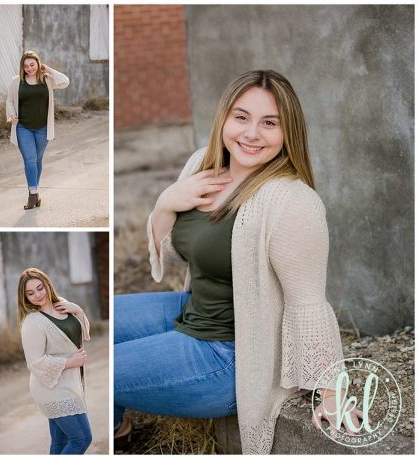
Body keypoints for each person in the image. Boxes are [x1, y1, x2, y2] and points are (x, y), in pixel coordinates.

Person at [113, 70, 362, 454]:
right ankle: (117, 427)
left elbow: (308, 302)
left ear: (287, 132)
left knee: (100, 368)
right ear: (224, 119)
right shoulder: (201, 165)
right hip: (193, 312)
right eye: (241, 117)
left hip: (233, 355)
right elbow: (177, 253)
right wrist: (168, 201)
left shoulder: (292, 202)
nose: (251, 134)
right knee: (89, 331)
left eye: (269, 123)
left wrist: (331, 390)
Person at [18, 268, 92, 454]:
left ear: (47, 285)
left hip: (70, 383)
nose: (37, 295)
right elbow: (34, 362)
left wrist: (79, 310)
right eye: (30, 293)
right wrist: (68, 363)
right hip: (51, 389)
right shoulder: (33, 322)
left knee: (60, 442)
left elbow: (83, 332)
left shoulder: (63, 305)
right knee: (81, 438)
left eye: (40, 288)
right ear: (25, 297)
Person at [6, 51, 70, 210]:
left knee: (38, 159)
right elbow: (10, 101)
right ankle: (32, 194)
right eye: (26, 66)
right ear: (22, 67)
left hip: (43, 128)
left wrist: (48, 69)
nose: (29, 68)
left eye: (32, 64)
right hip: (23, 127)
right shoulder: (16, 82)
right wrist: (11, 115)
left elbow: (65, 82)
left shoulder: (46, 79)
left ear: (38, 64)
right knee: (30, 159)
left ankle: (36, 192)